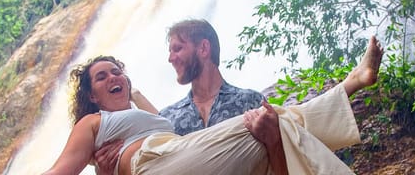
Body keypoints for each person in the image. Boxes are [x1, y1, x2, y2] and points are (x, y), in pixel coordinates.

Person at [41, 36, 385, 175]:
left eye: (117, 72)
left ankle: (354, 81)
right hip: (154, 166)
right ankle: (353, 82)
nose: (113, 77)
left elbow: (158, 123)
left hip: (178, 156)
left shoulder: (158, 120)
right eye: (101, 77)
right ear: (90, 96)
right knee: (267, 119)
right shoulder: (92, 124)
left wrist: (131, 90)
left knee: (275, 123)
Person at [93, 19, 284, 174]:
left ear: (203, 48)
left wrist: (274, 141)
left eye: (177, 49)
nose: (170, 58)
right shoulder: (168, 118)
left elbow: (284, 168)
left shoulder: (250, 102)